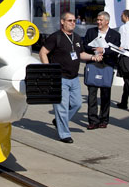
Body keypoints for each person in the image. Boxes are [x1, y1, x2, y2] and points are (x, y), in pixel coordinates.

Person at [39, 12, 83, 143]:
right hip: (60, 78)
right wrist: (48, 70)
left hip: (74, 78)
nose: (73, 23)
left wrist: (93, 57)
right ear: (62, 22)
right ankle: (64, 134)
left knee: (77, 104)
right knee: (61, 107)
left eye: (74, 21)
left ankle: (59, 121)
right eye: (70, 20)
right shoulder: (55, 37)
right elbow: (43, 52)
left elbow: (81, 54)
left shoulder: (77, 37)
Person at [82, 11, 121, 130]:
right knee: (92, 95)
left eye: (101, 20)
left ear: (107, 21)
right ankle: (92, 120)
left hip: (107, 66)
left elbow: (115, 50)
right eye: (97, 20)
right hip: (93, 64)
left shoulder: (115, 35)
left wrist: (103, 50)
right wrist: (94, 50)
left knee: (105, 94)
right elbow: (85, 46)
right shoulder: (91, 32)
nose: (98, 22)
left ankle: (104, 119)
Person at [116, 9, 129, 110]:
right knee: (128, 80)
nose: (120, 17)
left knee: (128, 80)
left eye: (121, 15)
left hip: (125, 55)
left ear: (126, 16)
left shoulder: (123, 28)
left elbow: (121, 42)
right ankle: (124, 102)